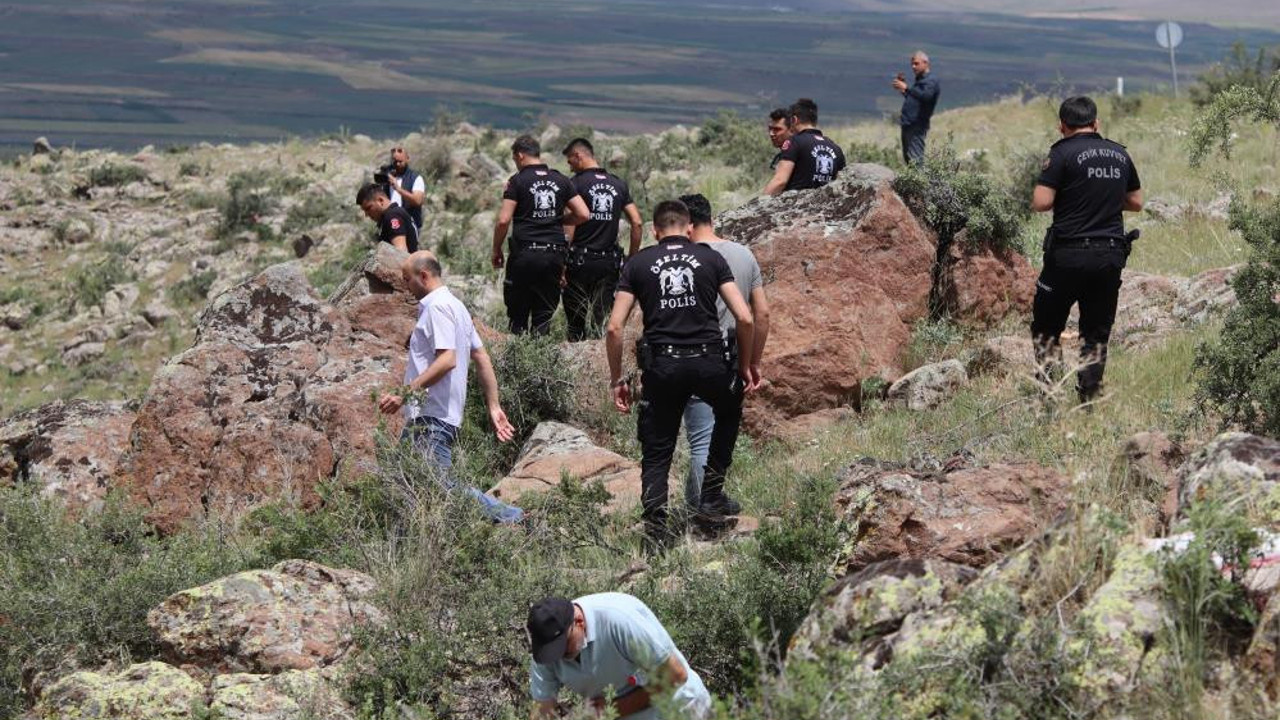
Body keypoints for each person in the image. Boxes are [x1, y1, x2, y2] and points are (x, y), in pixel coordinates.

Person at [606, 200, 754, 550]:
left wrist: (617, 379)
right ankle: (711, 495)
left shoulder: (638, 263)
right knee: (729, 412)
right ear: (689, 228)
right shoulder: (710, 258)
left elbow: (614, 327)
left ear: (655, 231)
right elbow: (745, 317)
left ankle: (655, 529)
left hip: (663, 366)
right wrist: (744, 366)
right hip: (709, 362)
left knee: (658, 448)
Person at [377, 250, 524, 523]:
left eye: (407, 279)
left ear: (423, 276)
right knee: (404, 482)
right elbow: (481, 356)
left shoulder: (437, 307)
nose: (406, 286)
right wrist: (494, 406)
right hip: (434, 416)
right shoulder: (457, 306)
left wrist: (404, 394)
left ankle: (512, 518)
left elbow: (447, 360)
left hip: (431, 416)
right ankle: (411, 542)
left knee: (441, 487)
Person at [1030, 96, 1143, 405]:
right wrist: (1102, 198)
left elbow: (1041, 202)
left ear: (1062, 126)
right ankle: (1089, 402)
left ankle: (1049, 394)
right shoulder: (1119, 154)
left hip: (1067, 256)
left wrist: (1076, 196)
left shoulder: (1061, 153)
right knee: (1095, 333)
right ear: (1096, 123)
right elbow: (1136, 202)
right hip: (1109, 255)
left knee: (1046, 326)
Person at [677, 194, 769, 518]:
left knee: (701, 438)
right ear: (711, 219)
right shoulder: (743, 254)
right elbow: (761, 314)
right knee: (720, 434)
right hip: (731, 358)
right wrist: (752, 362)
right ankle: (707, 501)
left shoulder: (683, 259)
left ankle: (702, 511)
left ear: (687, 225)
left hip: (693, 355)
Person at [527, 593, 711, 720]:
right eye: (553, 650)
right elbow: (543, 711)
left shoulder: (620, 621)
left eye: (563, 646)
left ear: (579, 622)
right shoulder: (546, 650)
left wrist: (612, 709)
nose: (559, 655)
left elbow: (676, 675)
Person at [492, 135, 591, 335]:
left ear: (520, 155)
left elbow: (503, 220)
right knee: (543, 316)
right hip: (553, 256)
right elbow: (583, 214)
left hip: (525, 255)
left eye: (514, 159)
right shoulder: (561, 179)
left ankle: (518, 353)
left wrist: (496, 249)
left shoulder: (517, 181)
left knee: (518, 316)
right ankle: (541, 351)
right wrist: (557, 220)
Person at [561, 137, 644, 341]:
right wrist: (631, 259)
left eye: (570, 162)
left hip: (578, 262)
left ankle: (577, 358)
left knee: (576, 326)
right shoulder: (618, 184)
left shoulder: (574, 184)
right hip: (608, 263)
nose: (570, 168)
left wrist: (561, 262)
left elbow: (569, 225)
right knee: (602, 324)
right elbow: (637, 222)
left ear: (578, 155)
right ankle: (603, 359)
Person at [763, 98, 846, 195]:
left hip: (797, 202)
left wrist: (760, 202)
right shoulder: (836, 148)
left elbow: (780, 181)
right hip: (825, 203)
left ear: (794, 120)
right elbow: (842, 184)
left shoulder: (794, 142)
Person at [893, 51, 940, 165]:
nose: (913, 67)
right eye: (912, 64)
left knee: (915, 158)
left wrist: (907, 88)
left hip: (917, 124)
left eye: (916, 64)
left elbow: (926, 97)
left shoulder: (930, 81)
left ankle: (920, 177)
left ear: (925, 63)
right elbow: (915, 99)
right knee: (909, 158)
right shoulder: (920, 80)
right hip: (908, 123)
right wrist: (904, 90)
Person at [357, 183, 419, 253]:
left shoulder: (393, 216)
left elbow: (401, 251)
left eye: (368, 208)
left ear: (380, 200)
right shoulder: (392, 215)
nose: (366, 214)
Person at [385, 145, 426, 229]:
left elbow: (417, 201)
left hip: (409, 226)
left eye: (400, 162)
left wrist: (398, 189)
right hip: (391, 224)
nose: (397, 164)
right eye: (395, 162)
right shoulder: (388, 177)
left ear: (407, 158)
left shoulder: (415, 178)